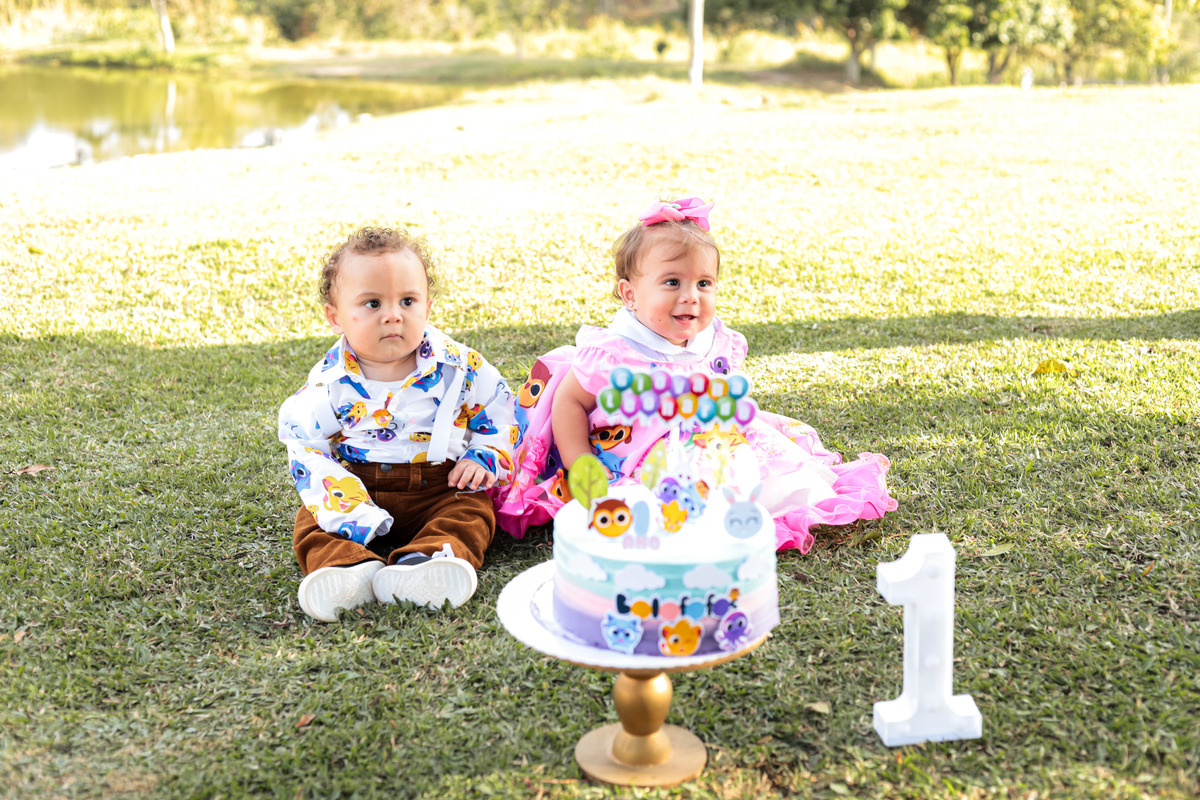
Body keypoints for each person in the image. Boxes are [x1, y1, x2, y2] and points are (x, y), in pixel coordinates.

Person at [495, 198, 897, 552]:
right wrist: (580, 461)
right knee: (663, 504)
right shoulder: (615, 354)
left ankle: (749, 500)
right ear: (630, 295)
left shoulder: (714, 341)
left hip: (709, 438)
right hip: (640, 450)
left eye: (704, 283)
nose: (691, 296)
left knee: (767, 472)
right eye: (672, 282)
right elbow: (569, 401)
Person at [279, 227, 516, 621]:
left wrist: (484, 454)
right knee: (312, 519)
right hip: (358, 486)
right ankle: (345, 566)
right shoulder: (326, 384)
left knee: (472, 512)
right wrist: (346, 505)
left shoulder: (459, 367)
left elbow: (498, 409)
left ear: (428, 307)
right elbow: (305, 446)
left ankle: (427, 561)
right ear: (336, 317)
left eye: (408, 301)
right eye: (372, 303)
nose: (393, 314)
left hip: (442, 485)